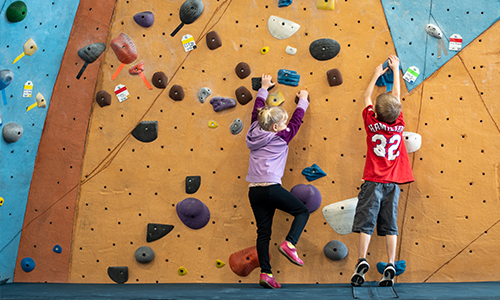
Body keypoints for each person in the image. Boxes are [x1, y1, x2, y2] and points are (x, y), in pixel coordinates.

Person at [350, 55, 415, 287]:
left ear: (375, 113)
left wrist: (376, 74)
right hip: (392, 183)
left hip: (372, 181)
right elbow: (397, 98)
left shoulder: (370, 122)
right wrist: (396, 70)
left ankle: (361, 260)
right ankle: (390, 262)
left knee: (366, 222)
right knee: (390, 224)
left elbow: (366, 97)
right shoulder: (399, 125)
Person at [246, 74, 311, 289]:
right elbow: (296, 121)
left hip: (254, 191)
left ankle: (266, 273)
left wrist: (264, 88)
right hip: (271, 188)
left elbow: (256, 111)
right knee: (302, 211)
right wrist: (303, 100)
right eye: (282, 124)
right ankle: (290, 243)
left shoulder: (254, 129)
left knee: (263, 232)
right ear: (275, 127)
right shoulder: (281, 137)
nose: (286, 126)